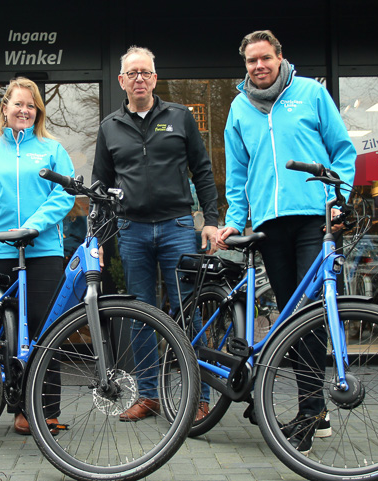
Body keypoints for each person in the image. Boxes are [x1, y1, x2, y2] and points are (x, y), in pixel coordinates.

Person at [218, 30, 357, 452]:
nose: (259, 66)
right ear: (245, 66)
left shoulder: (310, 93)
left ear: (280, 57)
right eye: (251, 61)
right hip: (269, 224)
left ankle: (310, 411)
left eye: (265, 58)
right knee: (288, 317)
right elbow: (237, 173)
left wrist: (339, 200)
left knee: (308, 314)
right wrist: (234, 221)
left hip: (314, 219)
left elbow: (342, 151)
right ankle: (314, 408)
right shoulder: (239, 107)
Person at [92, 46, 220, 422]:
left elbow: (203, 170)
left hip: (177, 227)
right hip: (131, 230)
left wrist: (211, 220)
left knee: (188, 313)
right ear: (122, 81)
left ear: (155, 78)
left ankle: (198, 397)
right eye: (132, 73)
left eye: (145, 72)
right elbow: (100, 187)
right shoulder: (109, 127)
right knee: (140, 315)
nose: (139, 79)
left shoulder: (180, 117)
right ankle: (148, 395)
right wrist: (97, 239)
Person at [0, 77, 75, 435]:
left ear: (38, 111)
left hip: (43, 251)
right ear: (4, 108)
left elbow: (65, 194)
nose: (24, 110)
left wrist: (34, 225)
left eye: (31, 105)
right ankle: (16, 405)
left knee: (44, 329)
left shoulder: (52, 149)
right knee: (9, 335)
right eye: (18, 104)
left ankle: (44, 410)